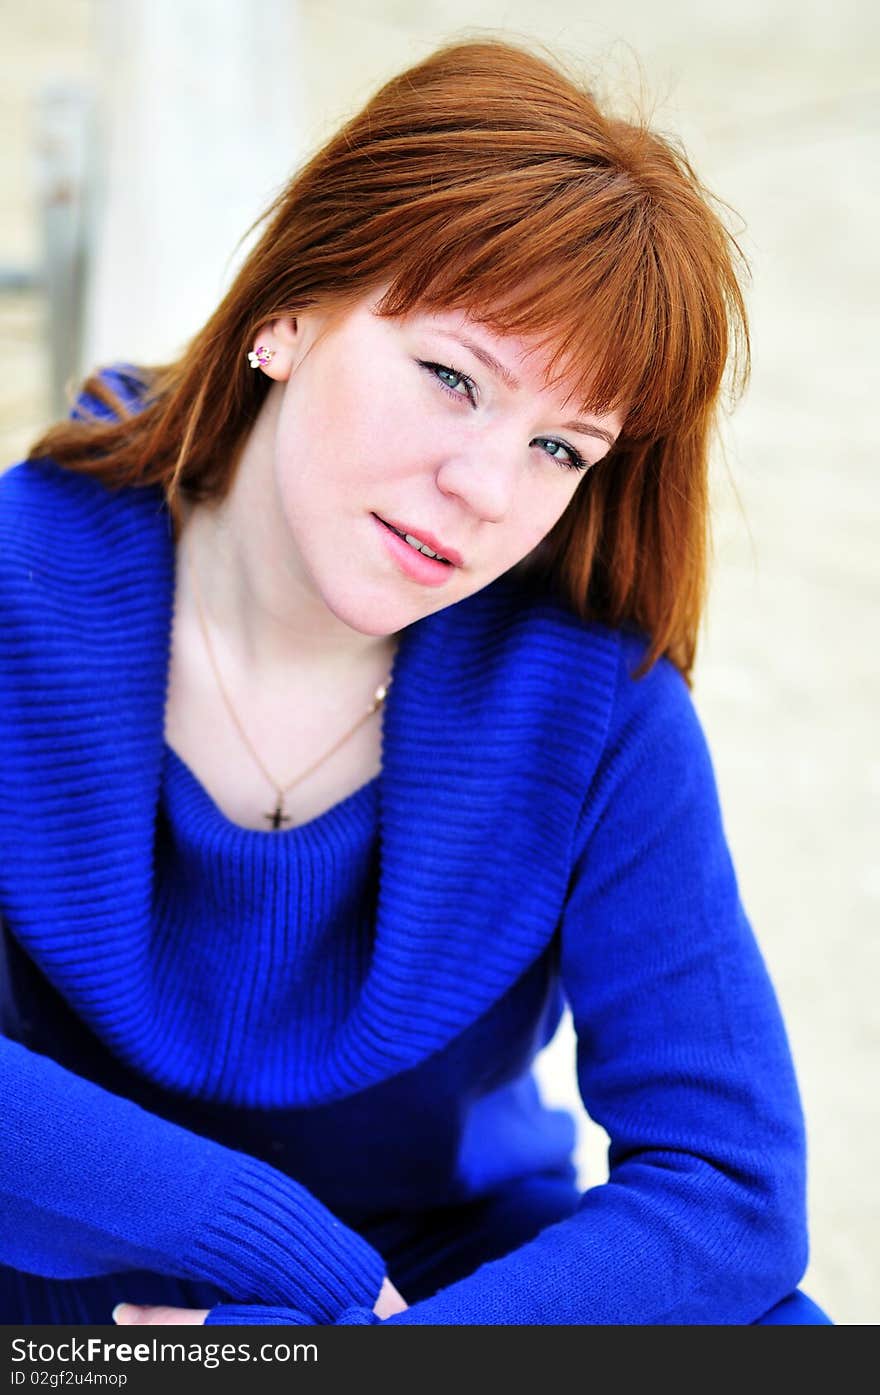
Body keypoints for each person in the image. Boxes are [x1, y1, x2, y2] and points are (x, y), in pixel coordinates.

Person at [0, 37, 833, 1326]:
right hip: (62, 1316)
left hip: (438, 1307)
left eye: (562, 446)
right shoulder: (22, 582)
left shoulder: (593, 706)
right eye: (454, 378)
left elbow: (730, 1187)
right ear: (290, 315)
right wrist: (266, 1248)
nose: (489, 492)